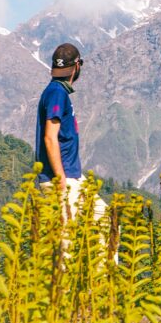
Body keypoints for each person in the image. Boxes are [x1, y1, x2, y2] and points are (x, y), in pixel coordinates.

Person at [35, 42, 105, 223]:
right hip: (61, 177)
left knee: (106, 220)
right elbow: (50, 138)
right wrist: (60, 179)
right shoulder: (57, 93)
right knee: (65, 243)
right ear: (77, 66)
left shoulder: (56, 91)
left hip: (72, 176)